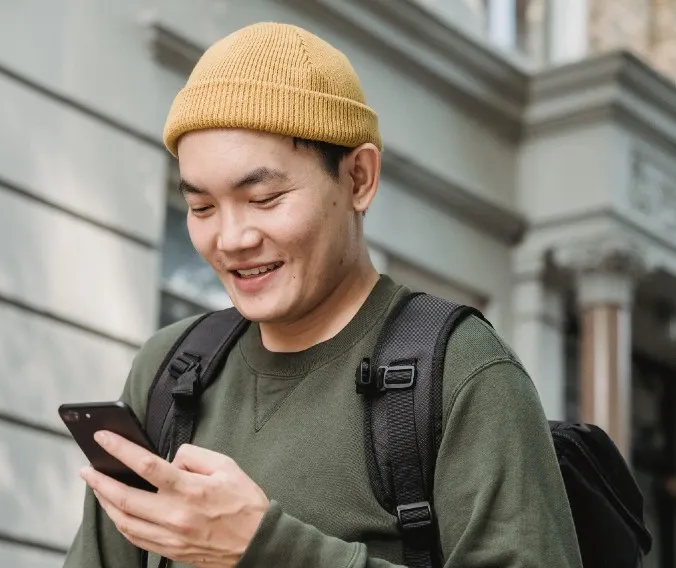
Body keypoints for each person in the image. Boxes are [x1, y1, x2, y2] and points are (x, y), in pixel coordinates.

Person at [63, 21, 583, 568]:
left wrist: (265, 547)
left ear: (358, 179)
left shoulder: (462, 372)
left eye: (264, 198)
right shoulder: (169, 372)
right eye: (202, 208)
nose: (232, 239)